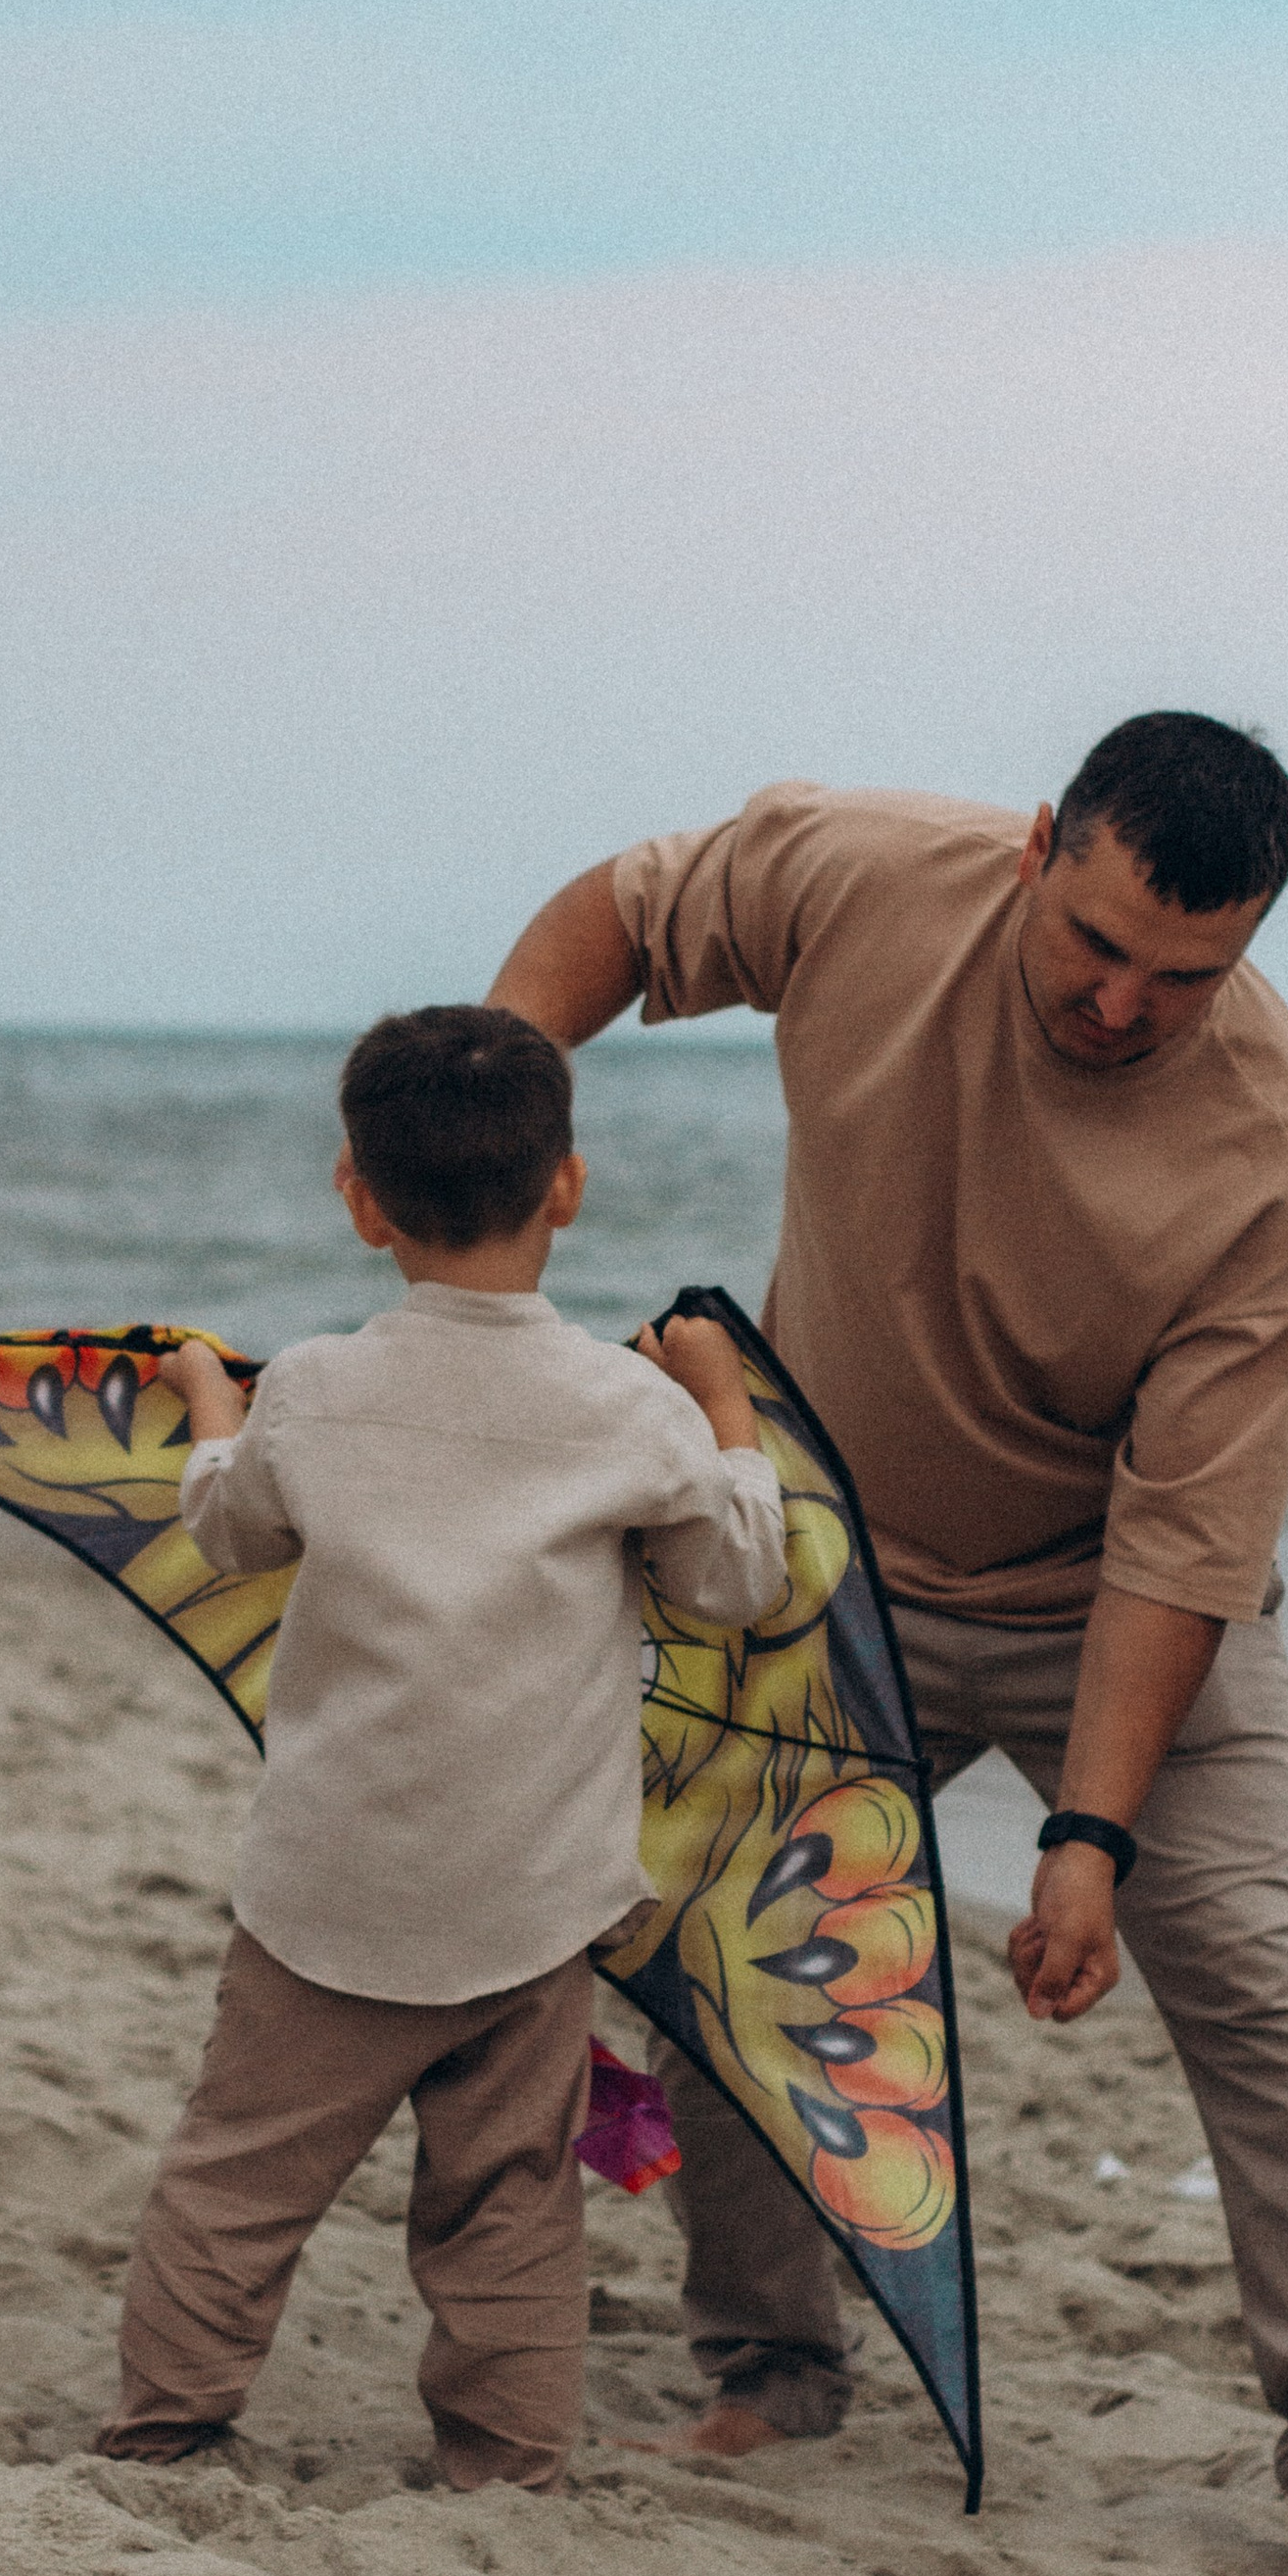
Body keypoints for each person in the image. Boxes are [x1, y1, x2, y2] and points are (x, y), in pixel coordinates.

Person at [488, 716, 1288, 2576]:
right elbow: (625, 914)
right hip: (832, 1556)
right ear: (1036, 849)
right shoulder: (865, 879)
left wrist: (1087, 1835)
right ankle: (773, 2376)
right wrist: (501, 1122)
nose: (1121, 1001)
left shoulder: (1274, 1161)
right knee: (722, 1927)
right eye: (1095, 941)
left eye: (1189, 974)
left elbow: (1186, 1544)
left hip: (1121, 1605)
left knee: (1253, 1976)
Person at [92, 1003, 786, 2494]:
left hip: (326, 1888)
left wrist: (218, 1407)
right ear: (567, 1187)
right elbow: (738, 1582)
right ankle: (505, 2455)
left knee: (238, 2181)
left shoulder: (321, 1393)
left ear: (357, 1196)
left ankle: (167, 2430)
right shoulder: (629, 1408)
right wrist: (726, 1408)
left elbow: (227, 1526)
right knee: (510, 2200)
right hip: (528, 1900)